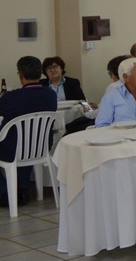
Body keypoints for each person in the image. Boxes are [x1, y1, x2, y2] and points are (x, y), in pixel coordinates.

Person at [0, 56, 58, 206]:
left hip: (12, 148)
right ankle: (22, 189)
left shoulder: (11, 98)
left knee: (13, 140)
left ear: (20, 74)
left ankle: (5, 191)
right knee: (24, 142)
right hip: (41, 146)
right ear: (41, 73)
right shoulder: (51, 95)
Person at [41, 56, 95, 132]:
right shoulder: (41, 85)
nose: (52, 70)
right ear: (45, 72)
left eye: (55, 67)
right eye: (48, 68)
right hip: (49, 117)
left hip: (71, 118)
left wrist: (90, 111)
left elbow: (82, 99)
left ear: (61, 68)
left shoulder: (73, 82)